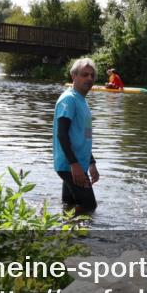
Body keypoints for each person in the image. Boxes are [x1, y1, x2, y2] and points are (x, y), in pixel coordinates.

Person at [54, 58, 100, 213]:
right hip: (70, 165)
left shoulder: (82, 101)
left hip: (78, 164)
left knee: (69, 206)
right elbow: (62, 134)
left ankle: (64, 228)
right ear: (73, 76)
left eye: (92, 75)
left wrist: (91, 163)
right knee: (89, 206)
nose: (89, 78)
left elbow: (85, 136)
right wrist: (74, 164)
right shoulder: (69, 99)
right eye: (84, 74)